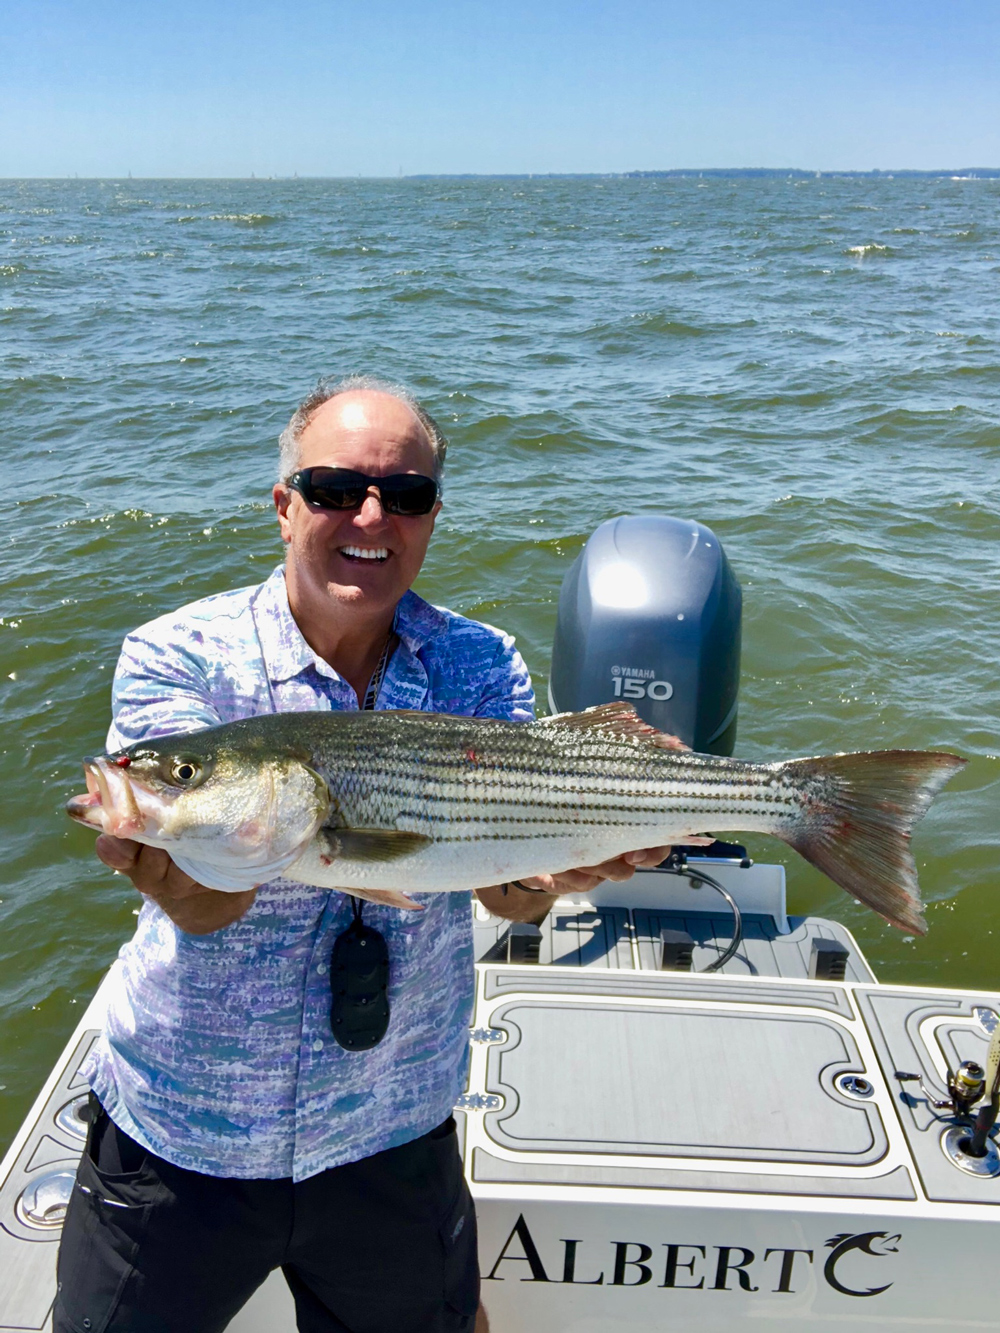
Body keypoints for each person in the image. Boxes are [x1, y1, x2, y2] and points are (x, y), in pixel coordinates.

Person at [54, 376, 672, 1333]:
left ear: (431, 517)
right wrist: (180, 853)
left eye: (407, 494)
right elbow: (210, 903)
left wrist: (544, 881)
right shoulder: (177, 656)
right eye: (336, 487)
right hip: (185, 1130)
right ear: (285, 503)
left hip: (390, 1126)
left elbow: (507, 893)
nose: (370, 516)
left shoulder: (482, 661)